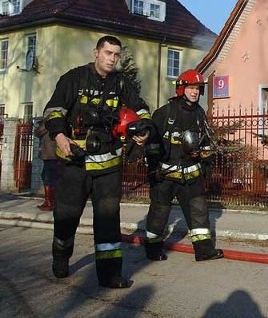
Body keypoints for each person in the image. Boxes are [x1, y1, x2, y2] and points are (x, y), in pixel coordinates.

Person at [43, 35, 152, 289]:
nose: (112, 59)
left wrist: (143, 129)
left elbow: (141, 110)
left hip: (108, 166)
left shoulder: (122, 84)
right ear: (96, 53)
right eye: (108, 53)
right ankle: (61, 255)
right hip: (74, 163)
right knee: (66, 216)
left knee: (108, 219)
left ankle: (110, 274)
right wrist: (59, 136)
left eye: (116, 54)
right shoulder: (74, 78)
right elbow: (53, 110)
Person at [144, 69, 224, 262]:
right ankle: (153, 250)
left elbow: (205, 142)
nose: (195, 92)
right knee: (159, 214)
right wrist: (153, 167)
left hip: (191, 175)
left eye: (197, 88)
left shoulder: (199, 115)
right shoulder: (165, 113)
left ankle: (203, 250)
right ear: (181, 89)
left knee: (199, 213)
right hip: (166, 175)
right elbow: (152, 143)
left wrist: (206, 163)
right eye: (191, 88)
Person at [34, 120, 58, 211]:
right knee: (47, 176)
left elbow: (38, 132)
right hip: (51, 154)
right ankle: (49, 201)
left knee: (48, 178)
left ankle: (49, 202)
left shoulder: (48, 122)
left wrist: (42, 124)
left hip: (50, 154)